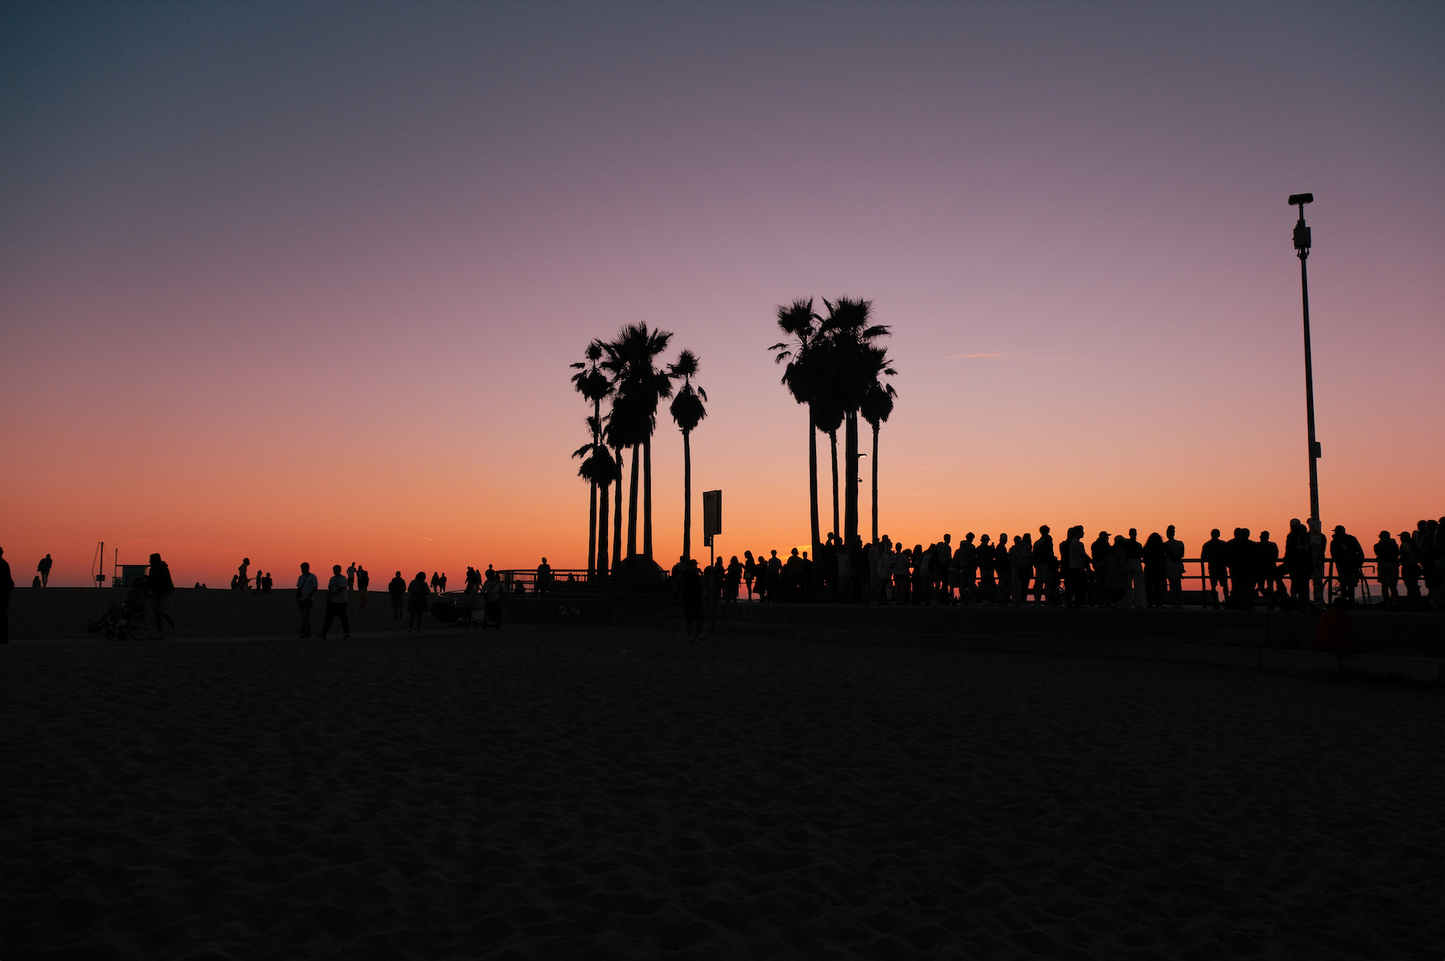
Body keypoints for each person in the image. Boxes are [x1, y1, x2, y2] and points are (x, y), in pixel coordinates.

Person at [1330, 525, 1365, 607]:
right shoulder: (1351, 539)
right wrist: (1359, 563)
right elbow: (1360, 552)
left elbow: (1333, 554)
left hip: (1341, 566)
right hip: (1353, 565)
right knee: (1351, 584)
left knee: (1343, 583)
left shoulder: (1334, 541)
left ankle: (1344, 602)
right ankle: (1351, 602)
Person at [316, 564, 350, 639]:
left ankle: (346, 632)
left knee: (343, 618)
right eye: (334, 570)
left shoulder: (343, 579)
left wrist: (333, 594)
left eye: (337, 570)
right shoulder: (332, 579)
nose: (335, 571)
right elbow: (330, 589)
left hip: (341, 602)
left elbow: (341, 588)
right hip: (332, 602)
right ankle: (324, 633)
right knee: (328, 618)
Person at [1283, 519, 1312, 607]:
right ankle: (1305, 600)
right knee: (1305, 583)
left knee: (1295, 583)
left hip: (1295, 564)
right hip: (1306, 563)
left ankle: (1294, 600)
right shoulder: (1307, 536)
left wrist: (1286, 561)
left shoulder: (1292, 536)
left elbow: (1289, 550)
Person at [148, 552, 177, 637]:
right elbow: (151, 582)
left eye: (151, 560)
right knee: (156, 612)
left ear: (156, 560)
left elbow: (163, 582)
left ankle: (174, 627)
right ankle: (160, 632)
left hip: (167, 593)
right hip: (157, 594)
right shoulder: (152, 569)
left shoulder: (163, 569)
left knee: (163, 611)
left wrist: (156, 592)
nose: (150, 562)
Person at [1200, 529, 1227, 609]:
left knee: (1213, 586)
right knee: (1225, 585)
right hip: (1222, 567)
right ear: (1219, 535)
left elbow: (1203, 557)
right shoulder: (1223, 544)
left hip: (1212, 567)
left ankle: (1215, 602)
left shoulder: (1207, 545)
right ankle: (1227, 601)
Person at [1374, 531, 1400, 607]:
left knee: (1384, 585)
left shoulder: (1377, 546)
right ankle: (1395, 602)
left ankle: (1387, 603)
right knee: (1393, 585)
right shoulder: (1394, 545)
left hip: (1383, 564)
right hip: (1393, 564)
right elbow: (1397, 553)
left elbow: (1378, 553)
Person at [1143, 533, 1166, 609]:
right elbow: (1161, 558)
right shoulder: (1161, 547)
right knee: (1158, 587)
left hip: (1149, 568)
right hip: (1158, 569)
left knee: (1148, 587)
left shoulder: (1147, 547)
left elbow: (1144, 558)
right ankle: (1157, 602)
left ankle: (1149, 602)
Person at [296, 561, 319, 637]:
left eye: (304, 568)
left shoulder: (312, 577)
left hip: (308, 599)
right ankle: (308, 632)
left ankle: (303, 631)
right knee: (304, 616)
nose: (302, 570)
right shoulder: (300, 577)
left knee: (305, 615)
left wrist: (310, 596)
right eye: (301, 568)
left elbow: (315, 587)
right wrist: (297, 596)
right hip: (301, 599)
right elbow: (299, 587)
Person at [1164, 526, 1185, 609]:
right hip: (1178, 565)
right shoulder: (1180, 544)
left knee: (1172, 584)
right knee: (1178, 584)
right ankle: (1180, 602)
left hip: (1169, 565)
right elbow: (1182, 555)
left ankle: (1174, 603)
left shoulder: (1165, 545)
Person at [0, 547, 13, 643]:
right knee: (3, 614)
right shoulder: (5, 564)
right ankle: (4, 638)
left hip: (3, 591)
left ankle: (3, 638)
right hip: (6, 592)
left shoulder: (2, 565)